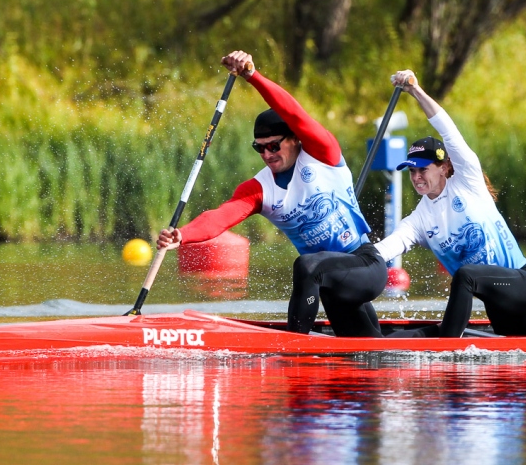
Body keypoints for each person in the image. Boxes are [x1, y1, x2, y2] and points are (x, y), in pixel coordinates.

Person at [157, 50, 387, 337]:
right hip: (329, 284)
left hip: (364, 265)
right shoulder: (259, 189)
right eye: (259, 147)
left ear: (294, 139)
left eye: (274, 145)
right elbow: (219, 217)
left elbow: (293, 112)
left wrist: (252, 76)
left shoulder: (321, 153)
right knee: (367, 348)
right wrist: (182, 235)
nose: (267, 154)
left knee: (307, 265)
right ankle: (428, 340)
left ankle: (293, 349)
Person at [375, 70, 526, 337]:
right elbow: (387, 247)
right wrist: (352, 261)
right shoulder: (419, 219)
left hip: (525, 286)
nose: (417, 177)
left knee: (465, 275)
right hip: (498, 302)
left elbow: (448, 130)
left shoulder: (468, 181)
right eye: (412, 171)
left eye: (423, 170)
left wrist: (415, 91)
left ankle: (448, 343)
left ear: (444, 167)